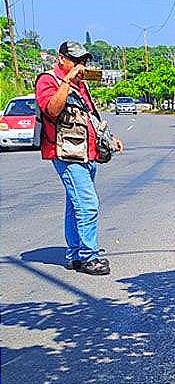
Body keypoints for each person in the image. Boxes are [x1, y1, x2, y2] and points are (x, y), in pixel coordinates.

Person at [35, 41, 123, 275]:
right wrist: (67, 81)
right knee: (88, 205)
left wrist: (110, 139)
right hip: (66, 154)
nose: (80, 65)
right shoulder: (48, 80)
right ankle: (88, 257)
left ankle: (75, 255)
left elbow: (91, 117)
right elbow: (51, 110)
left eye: (83, 61)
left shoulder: (81, 86)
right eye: (75, 60)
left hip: (86, 153)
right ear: (61, 58)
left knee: (75, 206)